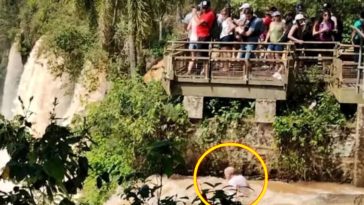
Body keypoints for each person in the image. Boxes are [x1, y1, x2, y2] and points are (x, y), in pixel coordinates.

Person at [236, 8, 263, 78]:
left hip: (251, 42)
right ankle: (245, 74)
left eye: (248, 15)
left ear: (251, 14)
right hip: (244, 42)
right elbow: (239, 25)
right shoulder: (246, 20)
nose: (247, 17)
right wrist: (239, 28)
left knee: (246, 59)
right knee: (241, 59)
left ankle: (249, 74)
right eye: (246, 15)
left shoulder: (256, 21)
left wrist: (240, 31)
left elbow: (248, 34)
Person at [196, 0, 216, 76]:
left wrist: (194, 13)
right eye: (203, 7)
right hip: (200, 36)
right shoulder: (204, 13)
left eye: (206, 8)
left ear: (209, 7)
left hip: (204, 36)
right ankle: (202, 72)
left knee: (201, 55)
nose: (204, 9)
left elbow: (199, 22)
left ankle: (199, 72)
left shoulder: (210, 14)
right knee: (202, 54)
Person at [265, 11, 286, 80]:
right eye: (275, 16)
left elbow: (285, 32)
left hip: (278, 42)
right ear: (273, 17)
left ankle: (279, 68)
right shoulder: (271, 23)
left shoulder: (282, 24)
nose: (277, 17)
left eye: (278, 16)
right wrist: (266, 39)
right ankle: (273, 64)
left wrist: (281, 39)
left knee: (277, 56)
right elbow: (269, 32)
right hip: (272, 42)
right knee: (268, 53)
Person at [219, 7, 236, 72]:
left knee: (225, 53)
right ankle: (226, 67)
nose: (223, 14)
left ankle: (226, 68)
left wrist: (228, 32)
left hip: (226, 37)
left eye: (224, 13)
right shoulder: (224, 20)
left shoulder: (228, 19)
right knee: (224, 52)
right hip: (223, 37)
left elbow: (233, 26)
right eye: (222, 13)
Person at [186, 7, 201, 75]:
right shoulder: (199, 19)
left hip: (192, 39)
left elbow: (188, 28)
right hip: (197, 39)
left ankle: (189, 70)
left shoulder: (192, 19)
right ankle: (196, 70)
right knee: (197, 56)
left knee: (193, 57)